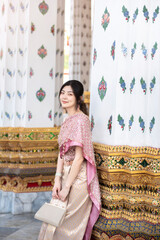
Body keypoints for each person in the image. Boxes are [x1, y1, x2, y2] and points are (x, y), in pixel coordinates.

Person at [38, 80, 101, 240]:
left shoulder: (81, 120)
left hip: (78, 179)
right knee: (52, 220)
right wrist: (57, 180)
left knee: (65, 225)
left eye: (70, 94)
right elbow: (62, 152)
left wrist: (67, 187)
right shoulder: (67, 119)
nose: (64, 96)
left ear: (79, 98)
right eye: (63, 92)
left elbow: (79, 158)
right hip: (65, 174)